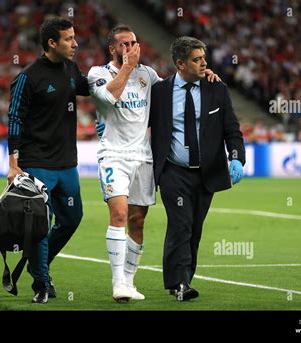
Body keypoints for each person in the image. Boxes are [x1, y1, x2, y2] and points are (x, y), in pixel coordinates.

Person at [88, 26, 220, 303]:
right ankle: (117, 283)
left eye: (134, 42)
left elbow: (174, 89)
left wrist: (201, 75)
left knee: (137, 221)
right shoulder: (97, 74)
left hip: (144, 158)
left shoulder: (148, 75)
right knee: (120, 215)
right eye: (124, 44)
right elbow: (107, 98)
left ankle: (129, 282)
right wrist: (127, 67)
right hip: (113, 155)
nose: (131, 47)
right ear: (112, 48)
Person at [149, 36, 246, 301]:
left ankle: (179, 280)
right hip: (173, 170)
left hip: (207, 173)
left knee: (194, 228)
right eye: (197, 59)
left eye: (204, 58)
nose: (204, 63)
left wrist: (236, 156)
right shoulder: (159, 92)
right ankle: (181, 283)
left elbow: (231, 129)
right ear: (180, 64)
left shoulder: (217, 89)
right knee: (181, 224)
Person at [6, 17, 89, 303]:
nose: (75, 44)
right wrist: (13, 164)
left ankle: (36, 263)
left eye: (74, 38)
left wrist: (125, 69)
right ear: (52, 43)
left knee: (72, 218)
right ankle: (42, 281)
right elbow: (15, 117)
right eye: (69, 39)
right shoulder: (28, 77)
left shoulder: (71, 70)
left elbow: (94, 88)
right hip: (36, 162)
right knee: (41, 223)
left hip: (67, 164)